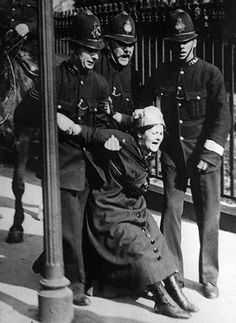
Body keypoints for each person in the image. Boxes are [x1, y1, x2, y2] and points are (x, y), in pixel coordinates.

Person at [56, 106, 199, 319]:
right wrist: (70, 125)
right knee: (140, 247)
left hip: (134, 207)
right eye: (154, 131)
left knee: (158, 241)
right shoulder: (121, 139)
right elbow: (87, 132)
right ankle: (161, 299)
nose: (159, 136)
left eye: (161, 132)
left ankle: (175, 292)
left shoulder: (147, 150)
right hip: (110, 209)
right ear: (140, 133)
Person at [18, 9, 110, 306]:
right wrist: (52, 115)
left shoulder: (100, 84)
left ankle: (49, 262)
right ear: (73, 48)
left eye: (96, 51)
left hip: (89, 166)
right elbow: (23, 112)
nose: (93, 56)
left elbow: (102, 127)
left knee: (84, 224)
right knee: (69, 224)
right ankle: (77, 281)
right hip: (61, 163)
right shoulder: (53, 77)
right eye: (87, 50)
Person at [139, 9, 231, 299]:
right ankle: (173, 272)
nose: (181, 46)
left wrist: (210, 154)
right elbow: (143, 97)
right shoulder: (162, 72)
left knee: (209, 216)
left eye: (186, 41)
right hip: (173, 155)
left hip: (203, 155)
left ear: (194, 41)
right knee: (171, 211)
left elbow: (222, 118)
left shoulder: (210, 73)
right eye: (176, 42)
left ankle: (210, 278)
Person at [94, 11, 141, 129]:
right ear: (109, 44)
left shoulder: (133, 74)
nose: (127, 50)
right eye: (121, 44)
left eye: (131, 45)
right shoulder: (96, 67)